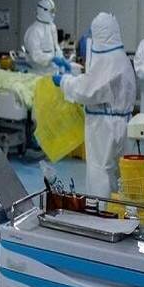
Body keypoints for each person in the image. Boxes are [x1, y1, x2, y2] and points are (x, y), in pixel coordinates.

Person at [54, 12, 136, 197]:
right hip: (120, 123)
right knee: (115, 173)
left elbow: (87, 90)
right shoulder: (119, 57)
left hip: (104, 127)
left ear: (100, 34)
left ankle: (100, 210)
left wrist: (64, 81)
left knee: (99, 172)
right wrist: (72, 69)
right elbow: (95, 80)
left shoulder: (108, 60)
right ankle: (114, 209)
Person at [23, 0, 68, 76]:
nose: (53, 14)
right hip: (37, 73)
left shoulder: (52, 26)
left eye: (54, 11)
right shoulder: (34, 31)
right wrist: (52, 58)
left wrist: (61, 58)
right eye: (51, 11)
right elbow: (36, 56)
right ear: (42, 11)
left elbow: (55, 46)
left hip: (52, 71)